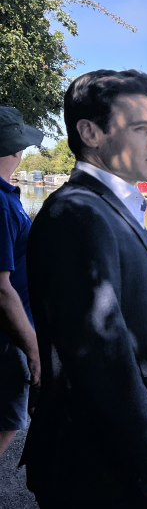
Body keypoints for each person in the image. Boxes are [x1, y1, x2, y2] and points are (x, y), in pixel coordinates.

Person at [21, 70, 147, 508]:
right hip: (101, 471)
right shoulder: (76, 215)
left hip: (114, 462)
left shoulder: (109, 207)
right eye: (143, 129)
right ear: (90, 132)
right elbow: (97, 353)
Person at [0, 106, 42, 459]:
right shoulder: (0, 205)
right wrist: (33, 349)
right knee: (7, 422)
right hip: (7, 337)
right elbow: (1, 289)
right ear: (14, 149)